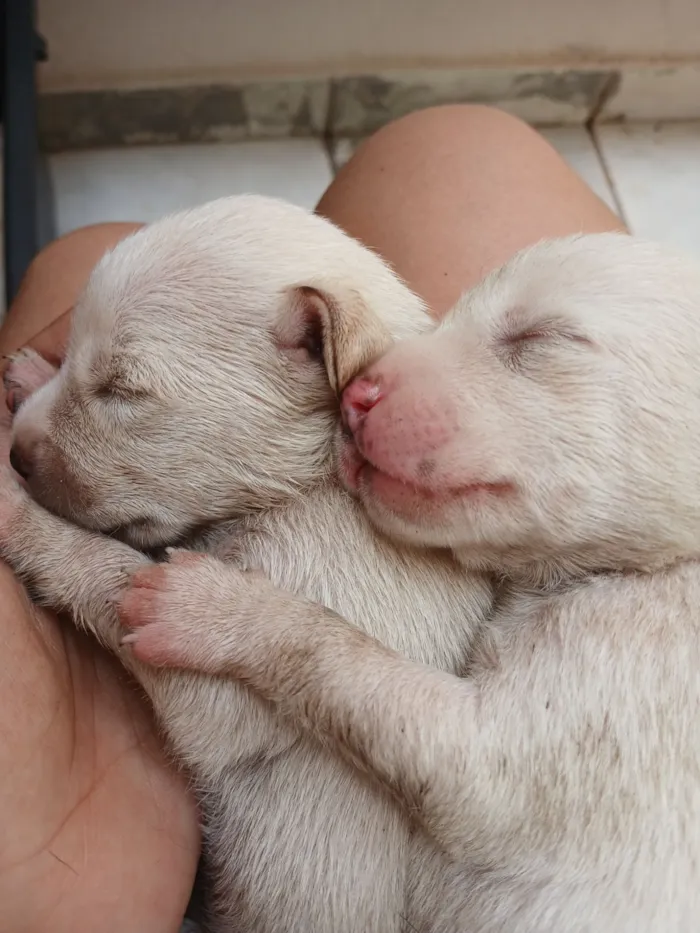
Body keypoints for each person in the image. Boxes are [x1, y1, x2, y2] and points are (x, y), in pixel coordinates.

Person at [0, 105, 624, 932]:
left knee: (457, 151)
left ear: (315, 351)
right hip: (190, 841)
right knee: (458, 149)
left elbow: (210, 689)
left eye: (121, 392)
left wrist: (32, 531)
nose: (32, 434)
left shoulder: (365, 553)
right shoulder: (366, 488)